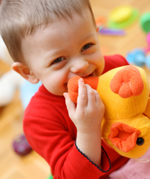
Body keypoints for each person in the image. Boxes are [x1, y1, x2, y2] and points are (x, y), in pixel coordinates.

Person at [0, 0, 129, 178]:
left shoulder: (118, 68)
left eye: (87, 46)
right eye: (58, 60)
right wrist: (88, 130)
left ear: (96, 35)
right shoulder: (38, 120)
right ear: (28, 72)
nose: (81, 65)